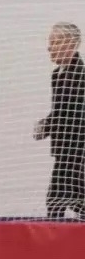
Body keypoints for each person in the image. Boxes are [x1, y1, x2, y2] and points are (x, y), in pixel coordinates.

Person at [34, 22, 85, 220]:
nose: (49, 48)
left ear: (70, 43)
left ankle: (55, 234)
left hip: (78, 151)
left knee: (62, 199)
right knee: (59, 200)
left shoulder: (81, 76)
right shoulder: (57, 75)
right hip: (65, 150)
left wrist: (48, 125)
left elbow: (73, 114)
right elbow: (61, 110)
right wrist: (46, 125)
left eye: (54, 42)